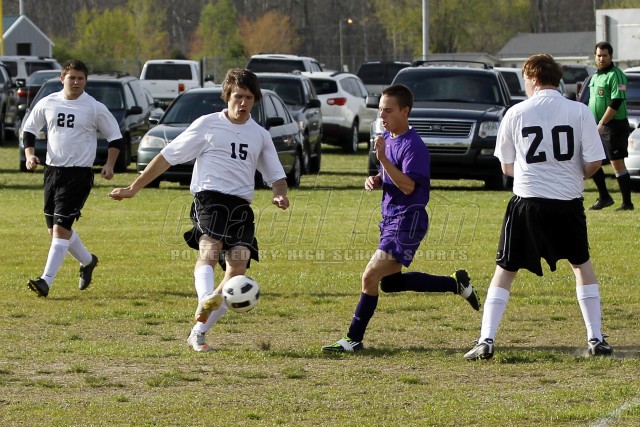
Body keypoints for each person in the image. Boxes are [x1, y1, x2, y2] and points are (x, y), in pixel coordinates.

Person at [109, 68, 289, 352]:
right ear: (227, 96)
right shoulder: (207, 124)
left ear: (255, 100)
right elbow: (167, 156)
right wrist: (134, 187)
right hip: (210, 198)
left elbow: (276, 176)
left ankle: (198, 331)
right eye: (238, 96)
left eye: (249, 98)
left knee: (238, 270)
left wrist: (280, 195)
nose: (243, 103)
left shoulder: (260, 135)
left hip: (241, 207)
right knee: (210, 250)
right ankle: (206, 296)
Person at [464, 54, 612, 361]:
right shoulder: (579, 111)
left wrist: (536, 175)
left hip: (528, 203)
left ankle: (486, 339)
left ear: (532, 78)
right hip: (567, 203)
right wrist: (572, 175)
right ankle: (596, 337)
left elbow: (506, 166)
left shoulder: (516, 112)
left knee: (505, 270)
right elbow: (594, 162)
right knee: (581, 266)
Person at [322, 84, 481, 353]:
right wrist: (376, 178)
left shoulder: (414, 146)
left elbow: (408, 186)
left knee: (369, 277)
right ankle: (455, 283)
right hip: (391, 219)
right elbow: (391, 175)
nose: (381, 116)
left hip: (407, 220)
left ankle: (352, 339)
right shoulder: (388, 137)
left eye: (388, 110)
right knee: (391, 283)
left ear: (405, 111)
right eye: (380, 110)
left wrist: (383, 159)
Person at [24, 59, 123, 298]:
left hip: (78, 175)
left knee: (60, 229)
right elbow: (29, 130)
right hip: (52, 173)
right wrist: (29, 155)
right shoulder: (48, 102)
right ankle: (88, 261)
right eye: (72, 78)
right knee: (56, 231)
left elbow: (115, 138)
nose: (76, 82)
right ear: (62, 79)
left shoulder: (94, 107)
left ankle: (46, 281)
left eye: (81, 78)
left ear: (86, 81)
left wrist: (109, 165)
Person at [587, 41, 634, 211]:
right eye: (599, 55)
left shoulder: (617, 75)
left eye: (605, 55)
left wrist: (602, 123)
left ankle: (627, 203)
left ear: (611, 56)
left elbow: (617, 100)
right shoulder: (595, 76)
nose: (601, 59)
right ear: (595, 56)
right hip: (596, 125)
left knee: (616, 163)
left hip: (613, 125)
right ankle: (604, 197)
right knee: (590, 159)